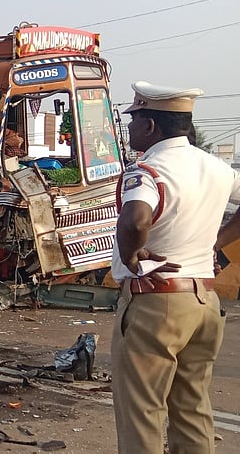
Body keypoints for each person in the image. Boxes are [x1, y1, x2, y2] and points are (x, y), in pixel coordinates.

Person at [111, 81, 236, 453]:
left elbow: (134, 220)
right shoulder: (217, 167)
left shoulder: (149, 169)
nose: (130, 127)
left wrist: (132, 255)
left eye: (134, 119)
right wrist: (217, 241)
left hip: (157, 301)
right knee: (193, 406)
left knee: (142, 410)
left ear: (150, 126)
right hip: (204, 301)